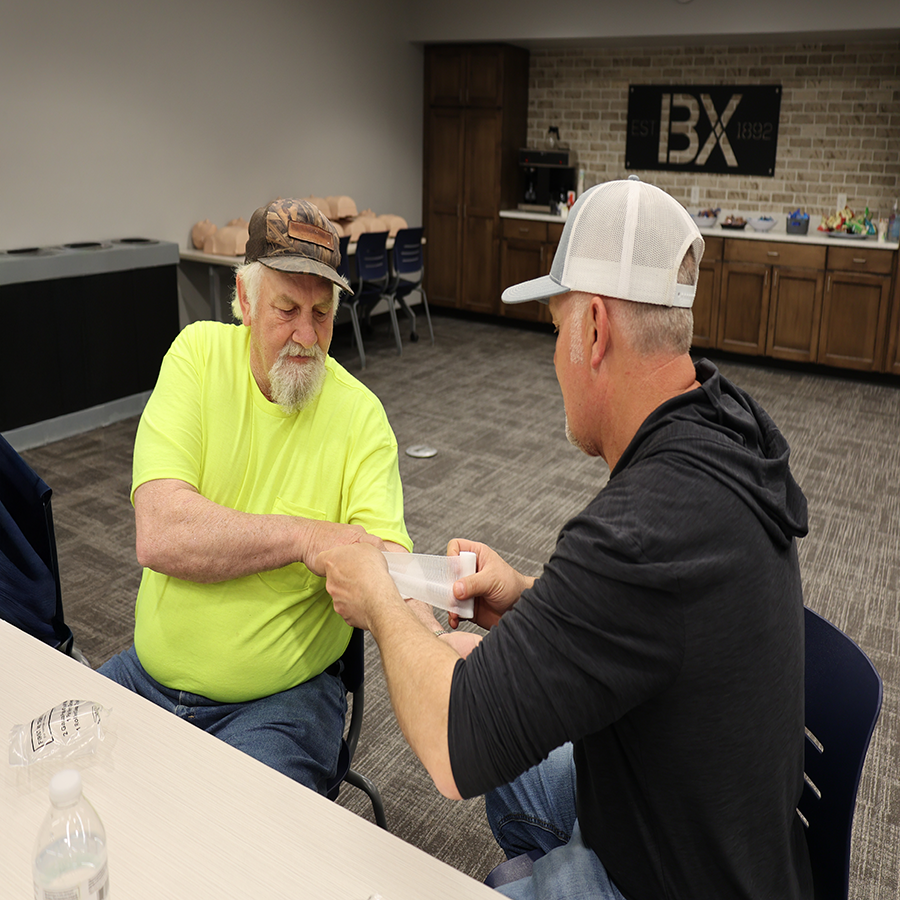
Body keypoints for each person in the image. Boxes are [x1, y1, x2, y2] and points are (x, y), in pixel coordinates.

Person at [318, 178, 814, 899]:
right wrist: (523, 601)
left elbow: (453, 748)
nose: (554, 357)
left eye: (556, 332)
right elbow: (652, 617)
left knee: (478, 733)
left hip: (676, 877)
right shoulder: (718, 425)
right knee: (508, 745)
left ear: (593, 331)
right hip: (686, 815)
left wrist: (379, 599)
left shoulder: (646, 525)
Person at [100, 198, 469, 794]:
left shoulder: (361, 418)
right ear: (244, 302)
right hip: (146, 676)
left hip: (282, 702)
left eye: (322, 314)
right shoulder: (196, 357)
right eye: (287, 309)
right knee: (52, 791)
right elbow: (160, 532)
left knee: (239, 856)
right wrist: (306, 537)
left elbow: (388, 571)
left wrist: (433, 646)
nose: (306, 336)